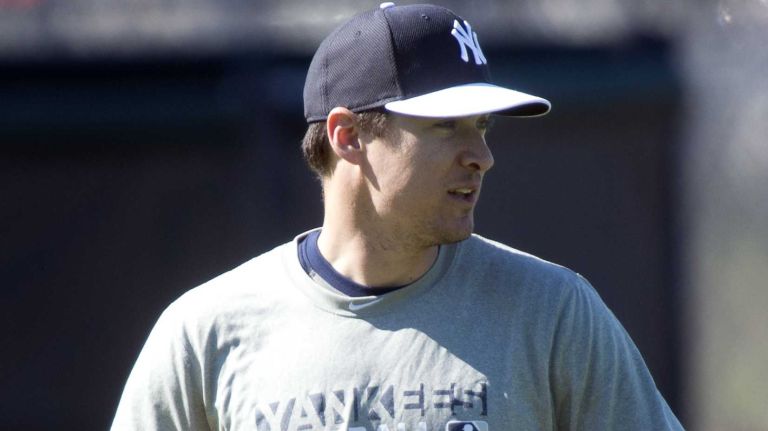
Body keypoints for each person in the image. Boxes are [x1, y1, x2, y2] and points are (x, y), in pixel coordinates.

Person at [112, 3, 684, 430]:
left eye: (482, 126)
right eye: (445, 126)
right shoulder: (204, 333)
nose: (481, 156)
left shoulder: (553, 313)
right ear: (347, 136)